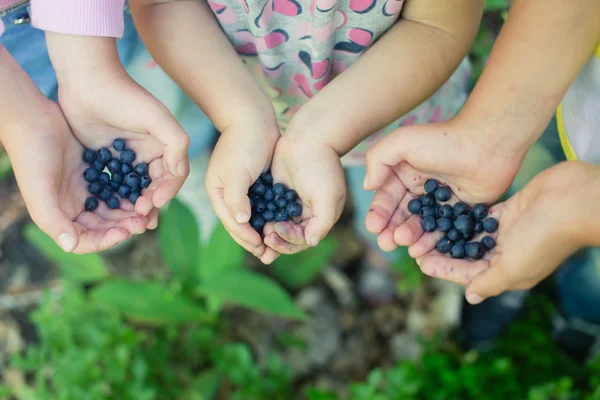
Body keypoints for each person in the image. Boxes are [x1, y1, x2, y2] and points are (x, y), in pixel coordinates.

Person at [129, 0, 484, 272]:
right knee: (378, 196)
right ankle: (382, 247)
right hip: (251, 98)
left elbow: (436, 26)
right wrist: (241, 119)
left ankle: (379, 252)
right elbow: (162, 5)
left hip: (397, 112)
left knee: (389, 194)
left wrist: (320, 135)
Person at [364, 0, 600, 358]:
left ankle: (582, 309)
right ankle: (519, 278)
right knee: (529, 173)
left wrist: (578, 213)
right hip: (571, 84)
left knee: (596, 277)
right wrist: (491, 134)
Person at [0, 0, 213, 252]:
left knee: (170, 116)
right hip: (16, 67)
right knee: (157, 129)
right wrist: (20, 118)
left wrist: (91, 69)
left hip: (109, 23)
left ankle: (196, 172)